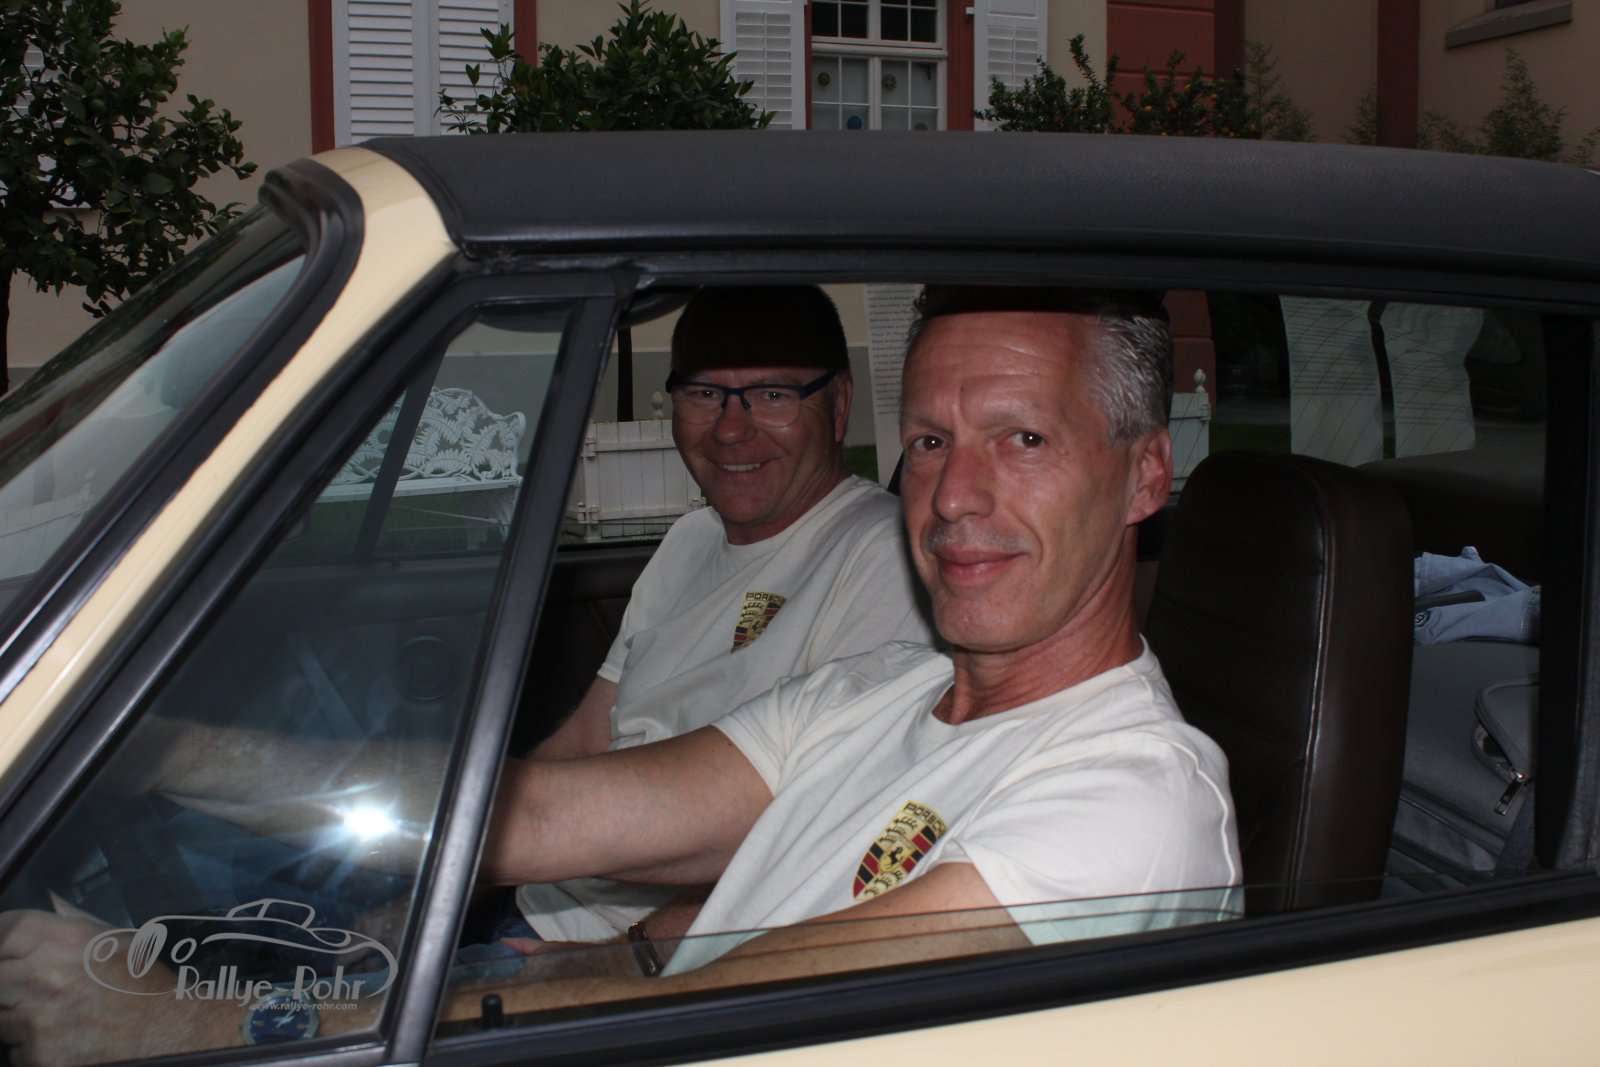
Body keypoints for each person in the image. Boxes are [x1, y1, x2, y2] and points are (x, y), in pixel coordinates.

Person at [0, 285, 1239, 1058]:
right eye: (928, 439)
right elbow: (540, 811)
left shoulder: (1132, 797)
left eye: (1023, 438)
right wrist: (161, 750)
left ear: (1145, 472)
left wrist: (202, 1021)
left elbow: (730, 1000)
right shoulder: (879, 694)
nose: (955, 494)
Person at [515, 284, 934, 945]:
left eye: (772, 394)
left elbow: (818, 839)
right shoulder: (689, 538)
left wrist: (627, 960)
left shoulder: (885, 558)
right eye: (705, 393)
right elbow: (587, 736)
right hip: (538, 892)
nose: (730, 428)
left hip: (630, 948)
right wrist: (457, 874)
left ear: (838, 405)